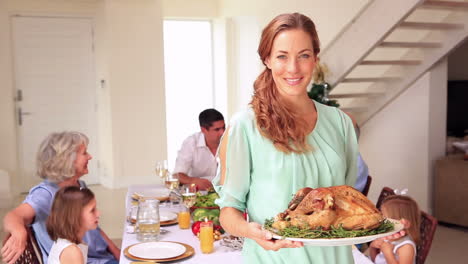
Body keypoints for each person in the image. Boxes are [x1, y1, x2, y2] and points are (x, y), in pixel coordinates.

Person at [213, 13, 360, 263]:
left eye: (303, 55)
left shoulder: (341, 123)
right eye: (282, 56)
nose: (293, 68)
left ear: (315, 59)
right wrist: (251, 231)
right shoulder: (245, 126)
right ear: (267, 59)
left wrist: (379, 231)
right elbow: (229, 211)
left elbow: (346, 202)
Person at [1, 131, 119, 264]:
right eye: (84, 153)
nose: (90, 157)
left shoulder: (79, 185)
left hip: (100, 257)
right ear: (67, 159)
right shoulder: (46, 193)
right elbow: (13, 216)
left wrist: (116, 252)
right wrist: (19, 233)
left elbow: (95, 229)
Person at [354, 195, 421, 264]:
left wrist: (388, 253)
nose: (381, 220)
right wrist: (372, 247)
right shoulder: (388, 237)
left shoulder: (406, 247)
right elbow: (375, 260)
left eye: (385, 218)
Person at [173, 108, 225, 190]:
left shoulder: (231, 141)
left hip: (225, 193)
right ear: (203, 130)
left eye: (223, 127)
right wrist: (193, 180)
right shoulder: (191, 143)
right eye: (217, 129)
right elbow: (177, 175)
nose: (222, 133)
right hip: (197, 194)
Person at [47, 186, 100, 264]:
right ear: (75, 216)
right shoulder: (72, 251)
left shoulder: (72, 241)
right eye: (92, 210)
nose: (98, 214)